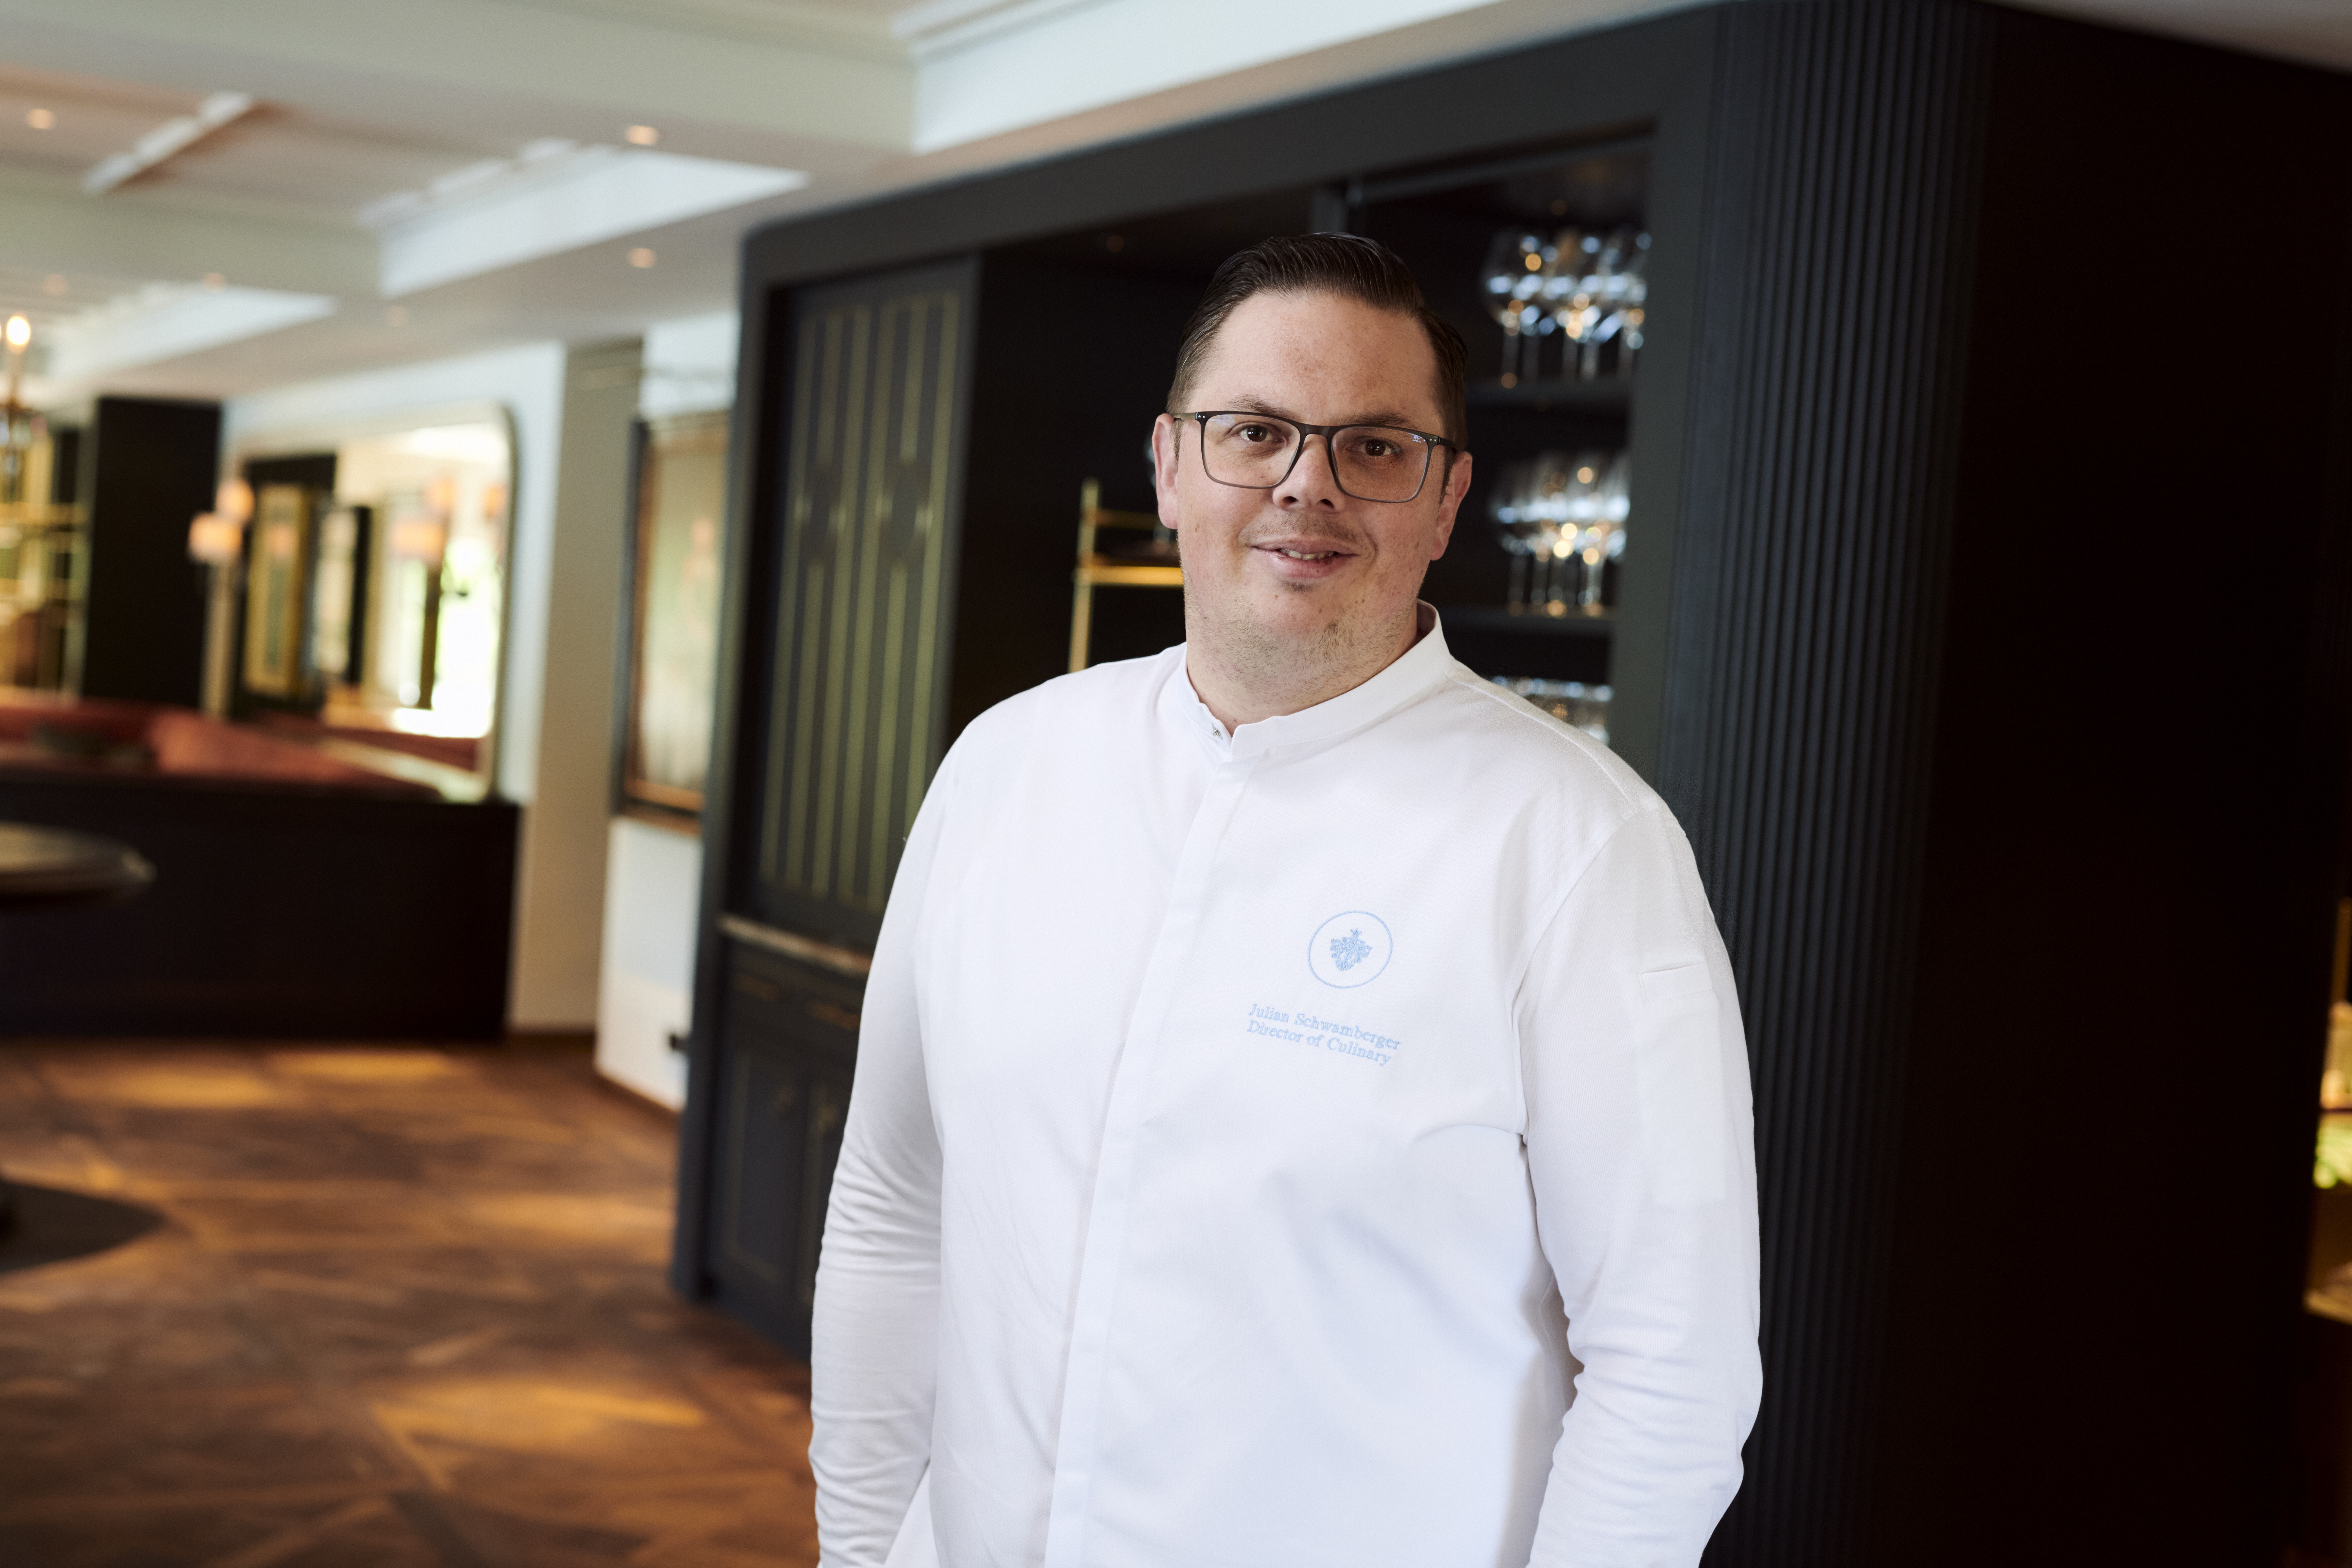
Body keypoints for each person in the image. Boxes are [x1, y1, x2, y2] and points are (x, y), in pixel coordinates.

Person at [810, 233, 1760, 1568]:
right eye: (1254, 431)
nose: (1308, 484)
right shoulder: (1006, 765)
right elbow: (893, 1212)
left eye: (1375, 446)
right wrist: (858, 1552)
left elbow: (1674, 1363)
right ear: (1169, 464)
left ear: (1448, 498)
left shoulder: (1582, 845)